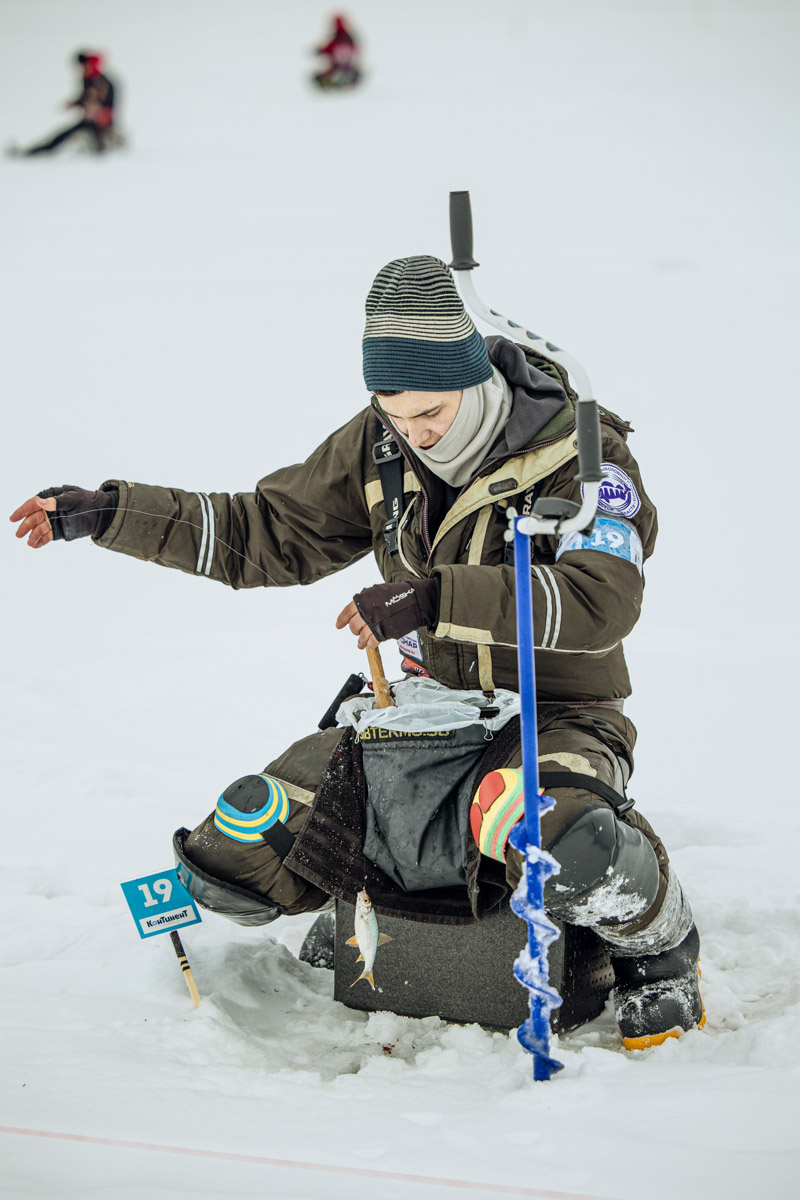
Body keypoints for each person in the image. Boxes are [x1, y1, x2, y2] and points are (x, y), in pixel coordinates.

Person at [10, 255, 703, 1050]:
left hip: (557, 716)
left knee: (563, 842)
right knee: (234, 854)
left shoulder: (582, 455)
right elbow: (265, 531)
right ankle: (364, 900)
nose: (415, 433)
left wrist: (438, 597)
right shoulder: (378, 445)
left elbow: (603, 600)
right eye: (395, 413)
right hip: (422, 717)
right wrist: (110, 513)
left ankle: (659, 945)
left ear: (475, 379)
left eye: (432, 413)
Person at [15, 51, 117, 157]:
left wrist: (100, 113)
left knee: (91, 145)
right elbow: (86, 100)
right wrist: (76, 103)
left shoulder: (100, 82)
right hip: (89, 122)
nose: (82, 69)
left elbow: (102, 103)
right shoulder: (89, 80)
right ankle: (33, 152)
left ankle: (32, 152)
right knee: (62, 137)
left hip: (99, 124)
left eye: (84, 66)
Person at [312, 14, 360, 90]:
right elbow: (355, 49)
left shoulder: (337, 38)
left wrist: (321, 51)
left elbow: (329, 48)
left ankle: (331, 81)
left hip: (339, 65)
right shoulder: (349, 37)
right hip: (346, 66)